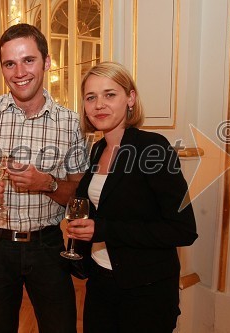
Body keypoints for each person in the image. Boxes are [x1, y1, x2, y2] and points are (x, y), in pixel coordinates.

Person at [0, 23, 88, 333]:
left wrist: (48, 184)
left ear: (46, 61)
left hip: (48, 247)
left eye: (28, 60)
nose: (19, 72)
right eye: (9, 63)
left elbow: (79, 194)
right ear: (2, 68)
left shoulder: (69, 122)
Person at [68, 61, 198, 333]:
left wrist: (103, 229)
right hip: (101, 281)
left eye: (109, 94)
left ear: (131, 98)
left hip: (145, 290)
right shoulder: (98, 149)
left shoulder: (153, 148)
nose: (99, 104)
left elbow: (183, 230)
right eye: (91, 97)